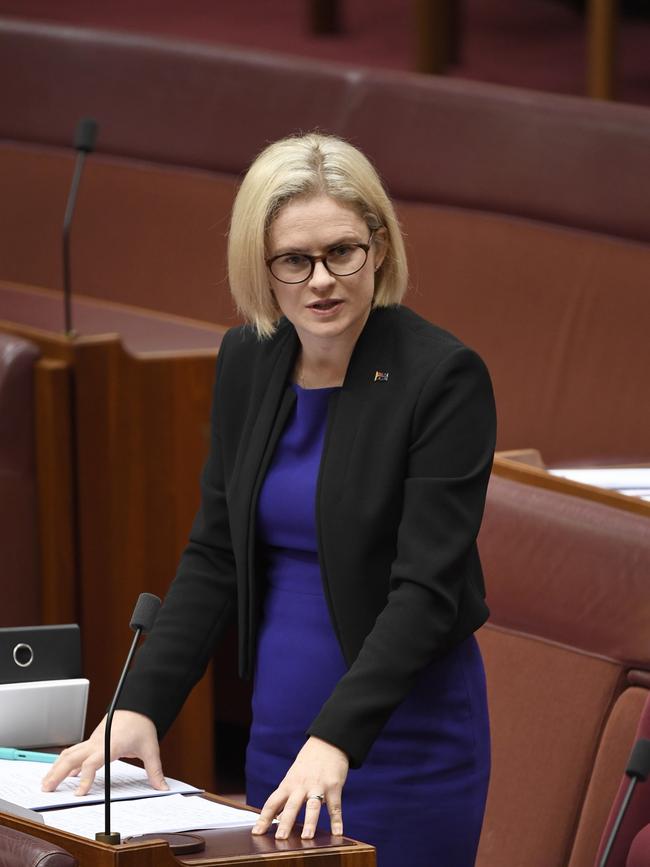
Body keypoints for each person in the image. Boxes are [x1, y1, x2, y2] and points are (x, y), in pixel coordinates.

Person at [43, 132, 496, 866]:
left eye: (342, 251)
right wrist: (141, 703)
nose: (322, 280)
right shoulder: (249, 361)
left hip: (400, 742)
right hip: (283, 741)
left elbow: (426, 592)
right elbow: (216, 551)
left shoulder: (441, 378)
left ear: (378, 248)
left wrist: (338, 737)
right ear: (262, 267)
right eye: (294, 260)